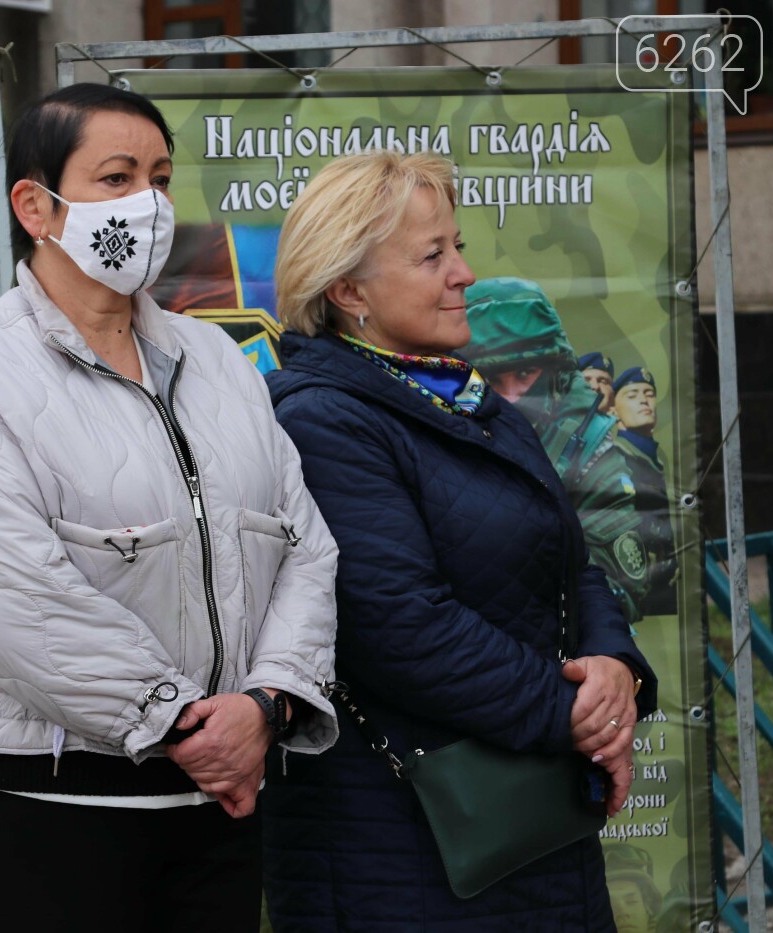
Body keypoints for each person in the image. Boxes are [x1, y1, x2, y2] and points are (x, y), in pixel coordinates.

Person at [0, 83, 339, 933]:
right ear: (36, 204)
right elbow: (7, 597)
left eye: (161, 177)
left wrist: (269, 704)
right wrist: (178, 722)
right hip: (53, 804)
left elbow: (304, 547)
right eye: (117, 177)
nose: (148, 203)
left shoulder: (215, 358)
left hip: (221, 806)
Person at [260, 149, 657, 931]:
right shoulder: (318, 418)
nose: (465, 273)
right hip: (400, 841)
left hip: (529, 817)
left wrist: (615, 671)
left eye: (460, 245)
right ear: (348, 291)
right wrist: (571, 712)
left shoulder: (469, 400)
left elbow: (571, 564)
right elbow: (398, 626)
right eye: (433, 254)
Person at [461, 278, 654, 623]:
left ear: (555, 374)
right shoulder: (437, 432)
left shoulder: (592, 456)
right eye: (491, 378)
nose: (513, 395)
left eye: (524, 373)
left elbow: (622, 592)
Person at [610, 365, 678, 616]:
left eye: (649, 394)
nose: (643, 400)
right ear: (614, 411)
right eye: (632, 394)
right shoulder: (616, 459)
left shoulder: (658, 459)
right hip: (635, 584)